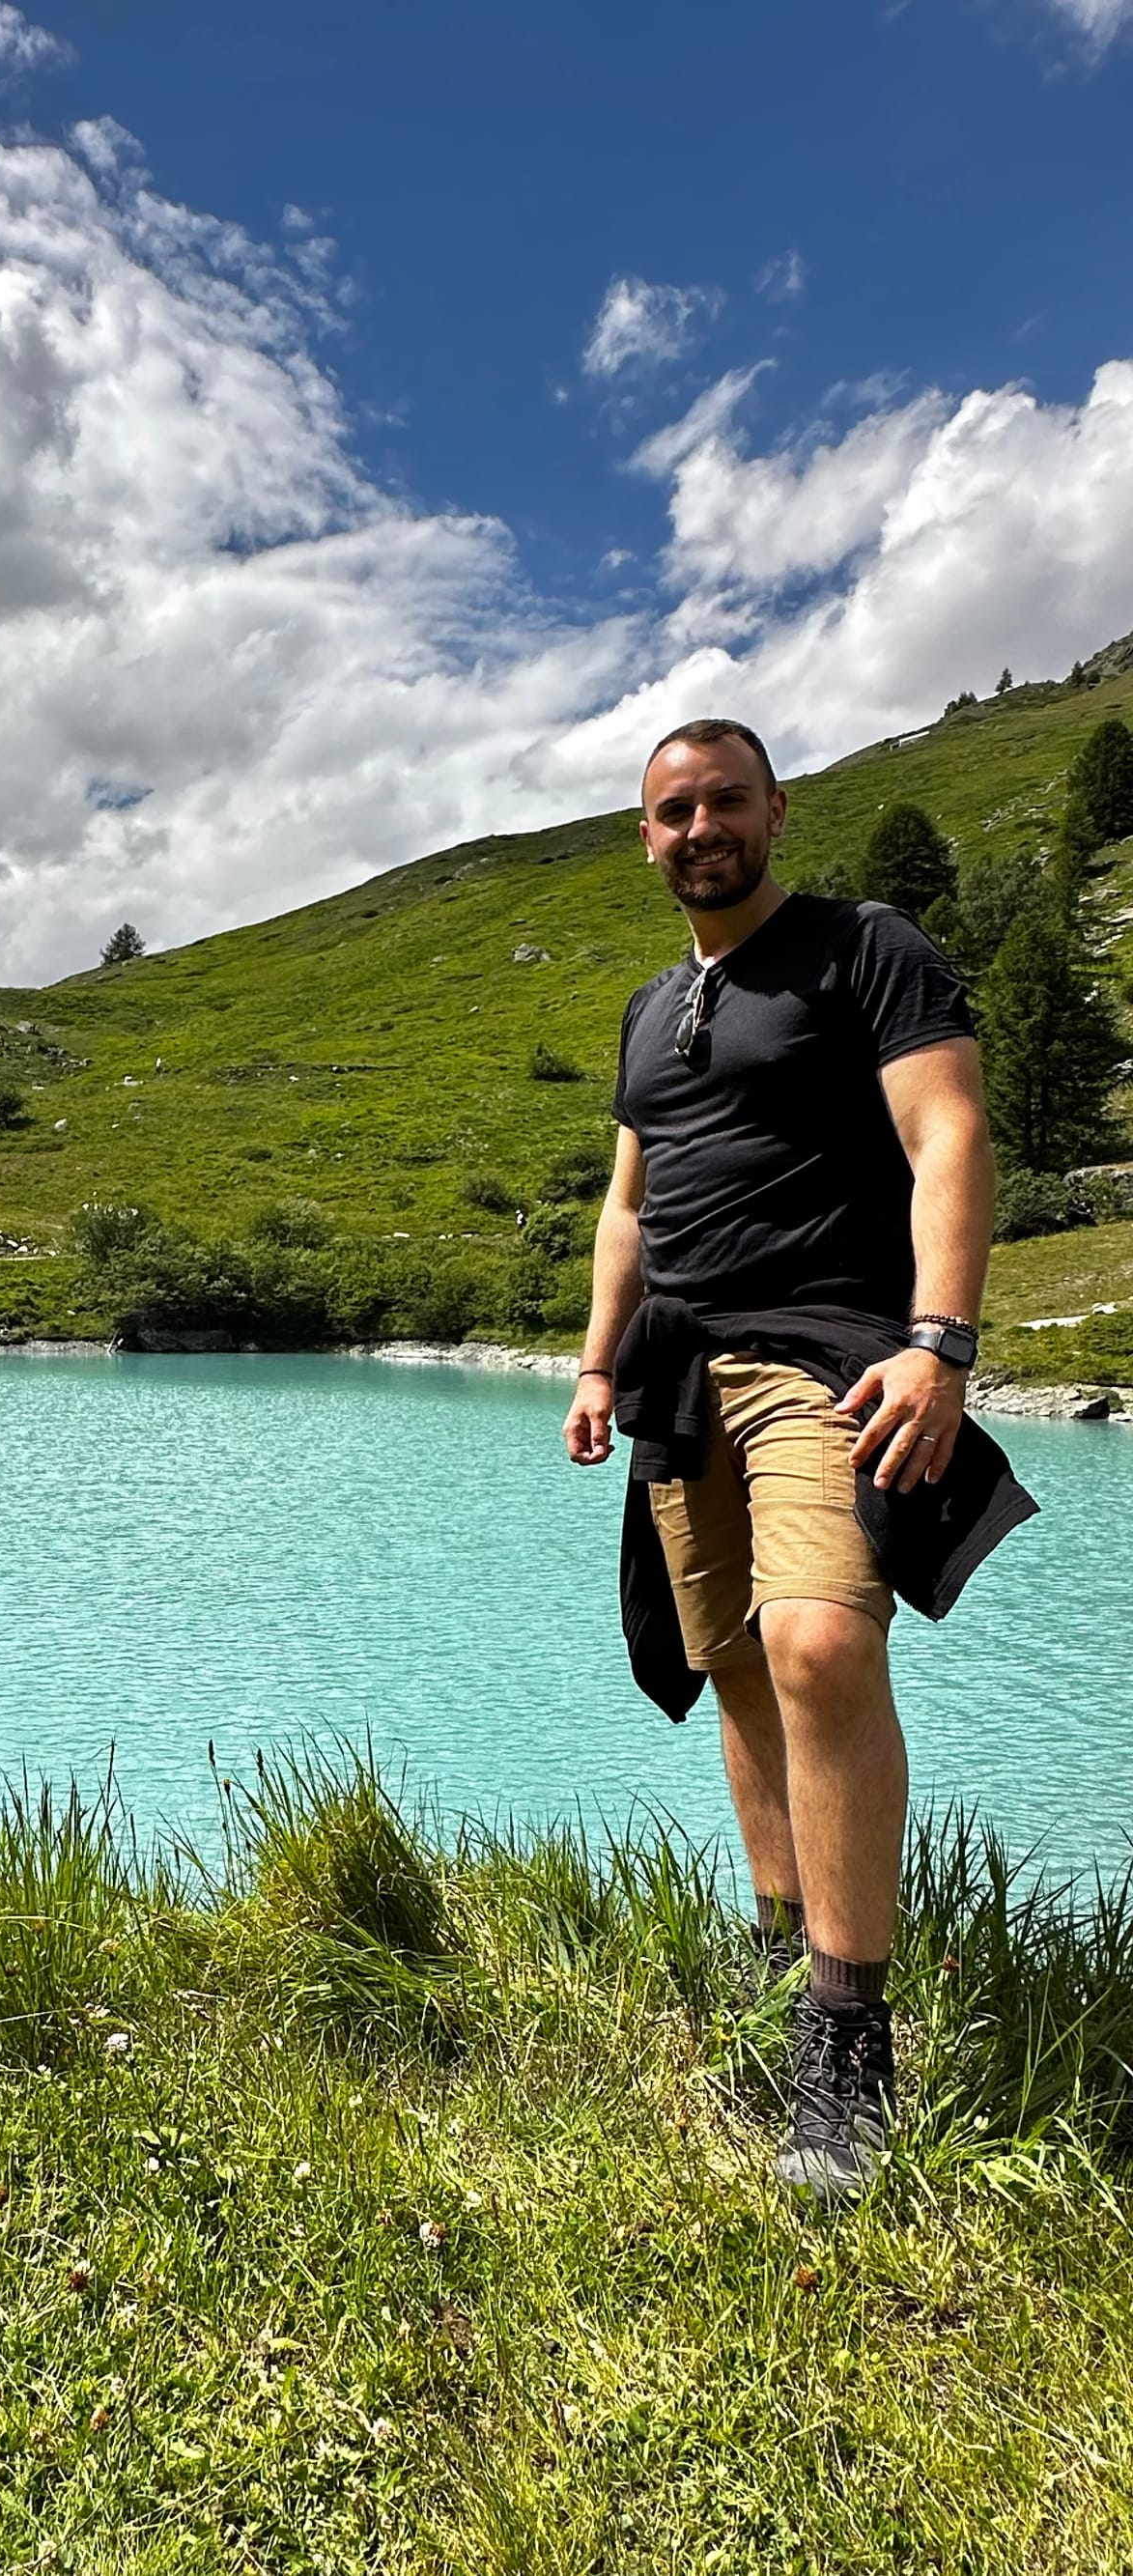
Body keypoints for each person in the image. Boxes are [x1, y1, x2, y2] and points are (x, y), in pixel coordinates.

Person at [563, 717, 1034, 2204]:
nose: (697, 829)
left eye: (721, 802)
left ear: (774, 809)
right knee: (740, 1672)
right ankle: (782, 1981)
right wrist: (593, 1359)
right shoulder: (652, 1010)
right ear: (642, 838)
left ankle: (849, 2046)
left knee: (821, 1640)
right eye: (668, 811)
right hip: (675, 1376)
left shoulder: (862, 948)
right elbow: (628, 1207)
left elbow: (949, 1132)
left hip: (821, 1354)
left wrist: (941, 1340)